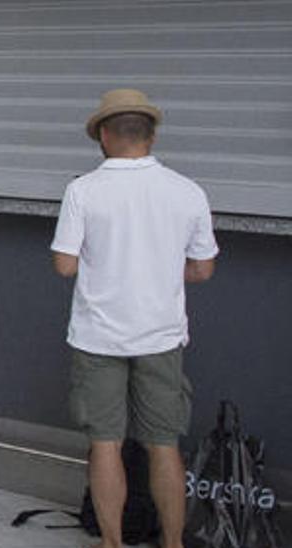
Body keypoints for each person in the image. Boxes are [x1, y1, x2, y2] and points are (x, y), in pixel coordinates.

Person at [51, 89, 218, 548]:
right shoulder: (187, 191)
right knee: (163, 444)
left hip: (98, 337)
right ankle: (172, 542)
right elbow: (203, 269)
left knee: (105, 443)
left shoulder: (83, 190)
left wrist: (106, 265)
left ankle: (111, 542)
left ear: (104, 135)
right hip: (162, 337)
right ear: (152, 135)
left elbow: (64, 265)